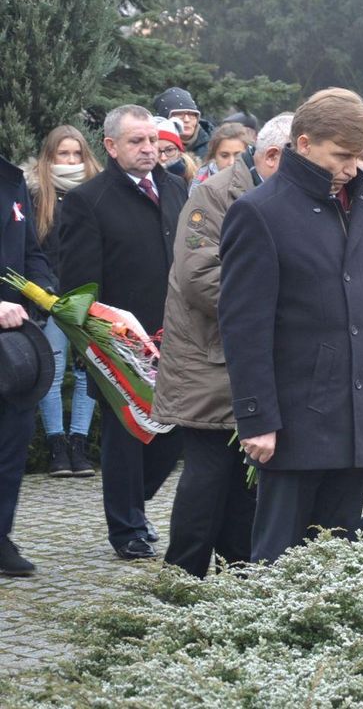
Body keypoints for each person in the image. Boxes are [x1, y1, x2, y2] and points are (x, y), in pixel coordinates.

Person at [218, 89, 363, 564]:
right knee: (279, 559)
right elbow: (243, 326)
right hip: (295, 419)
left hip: (354, 415)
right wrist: (256, 418)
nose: (352, 169)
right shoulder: (259, 212)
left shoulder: (359, 208)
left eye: (358, 157)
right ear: (305, 143)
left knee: (337, 561)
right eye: (341, 155)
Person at [154, 113, 293, 577]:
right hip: (208, 363)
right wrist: (282, 315)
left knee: (244, 481)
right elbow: (200, 278)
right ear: (272, 156)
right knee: (208, 477)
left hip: (248, 361)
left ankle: (240, 574)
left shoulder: (283, 196)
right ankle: (183, 577)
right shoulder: (211, 197)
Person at [60, 104, 188, 559]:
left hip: (177, 338)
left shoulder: (176, 189)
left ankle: (138, 503)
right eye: (137, 141)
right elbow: (78, 287)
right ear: (111, 146)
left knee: (174, 434)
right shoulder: (87, 201)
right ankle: (127, 528)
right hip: (119, 345)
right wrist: (99, 345)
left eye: (153, 140)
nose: (149, 149)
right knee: (126, 436)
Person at [21, 126, 102, 477]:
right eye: (62, 154)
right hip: (49, 298)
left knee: (87, 372)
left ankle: (79, 444)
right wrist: (49, 294)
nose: (70, 161)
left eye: (76, 154)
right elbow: (34, 250)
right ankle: (56, 446)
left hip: (87, 297)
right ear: (49, 157)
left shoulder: (97, 191)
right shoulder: (35, 194)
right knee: (51, 372)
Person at [1, 152, 57, 576]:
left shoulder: (10, 178)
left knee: (10, 445)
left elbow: (29, 252)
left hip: (13, 347)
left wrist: (48, 290)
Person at [154, 87, 214, 159]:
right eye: (179, 114)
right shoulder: (153, 146)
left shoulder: (214, 143)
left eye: (192, 114)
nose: (186, 120)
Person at [190, 124, 250, 192]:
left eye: (238, 155)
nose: (231, 162)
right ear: (214, 156)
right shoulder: (201, 184)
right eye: (224, 156)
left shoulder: (257, 180)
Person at [155, 118, 199, 188]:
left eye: (169, 150)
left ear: (179, 152)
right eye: (157, 151)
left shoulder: (197, 179)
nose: (163, 157)